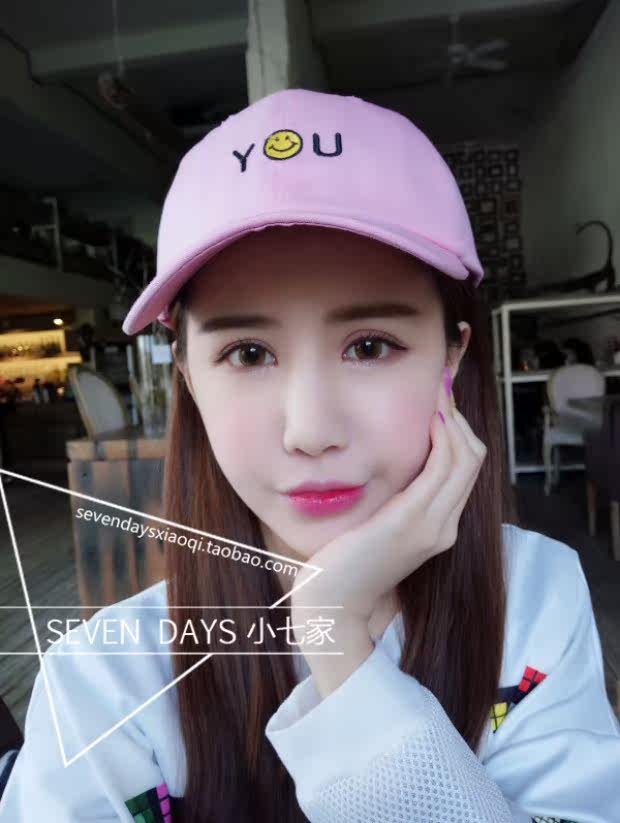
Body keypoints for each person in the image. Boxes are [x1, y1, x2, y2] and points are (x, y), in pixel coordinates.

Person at [1, 88, 619, 823]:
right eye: (248, 353)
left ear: (451, 356)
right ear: (188, 375)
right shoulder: (105, 684)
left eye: (370, 346)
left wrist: (337, 637)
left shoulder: (534, 597)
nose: (310, 430)